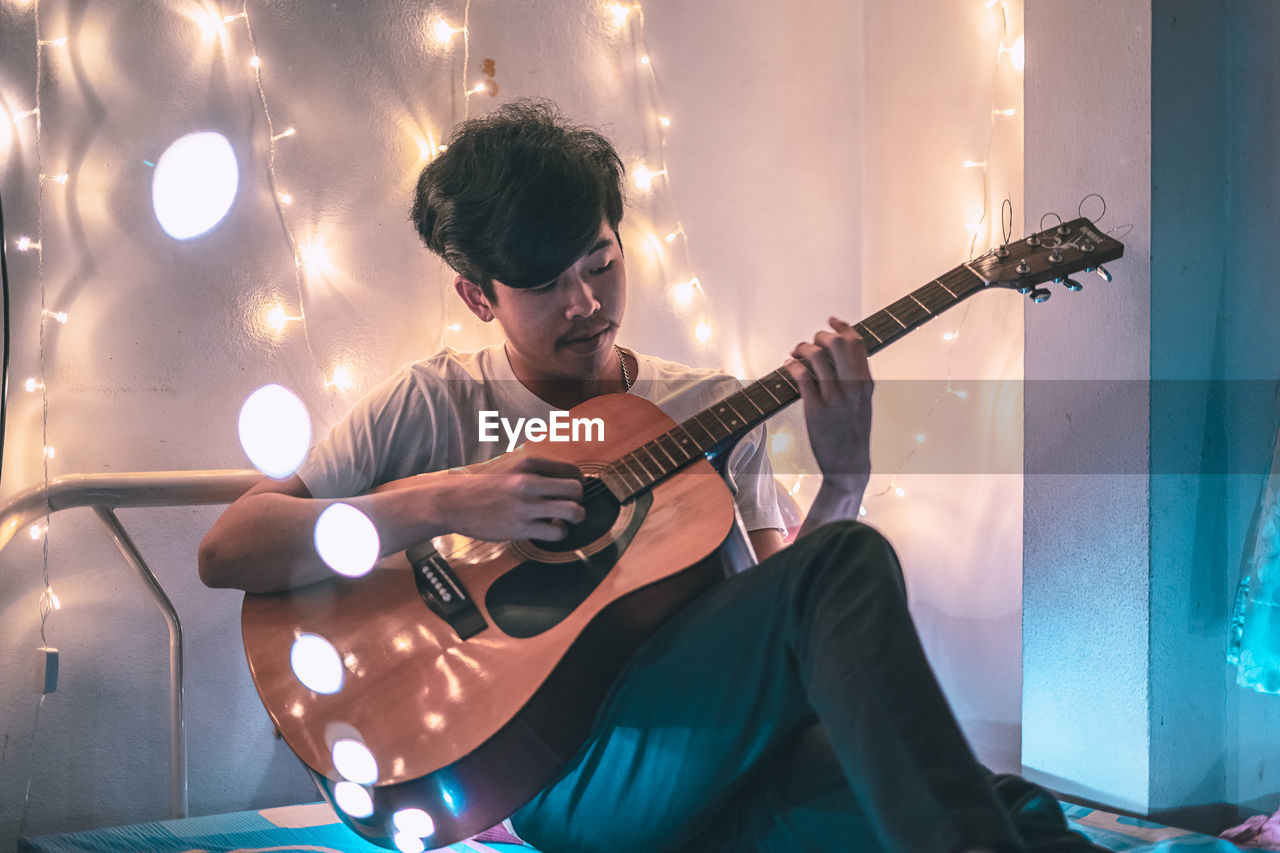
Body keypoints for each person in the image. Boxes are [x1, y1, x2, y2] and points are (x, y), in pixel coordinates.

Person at [199, 99, 1102, 853]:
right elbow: (229, 548)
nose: (586, 303)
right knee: (853, 579)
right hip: (565, 772)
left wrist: (845, 477)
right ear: (480, 296)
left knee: (1011, 814)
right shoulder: (432, 404)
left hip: (707, 753)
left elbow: (789, 624)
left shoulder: (702, 404)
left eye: (600, 264)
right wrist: (456, 497)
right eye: (547, 285)